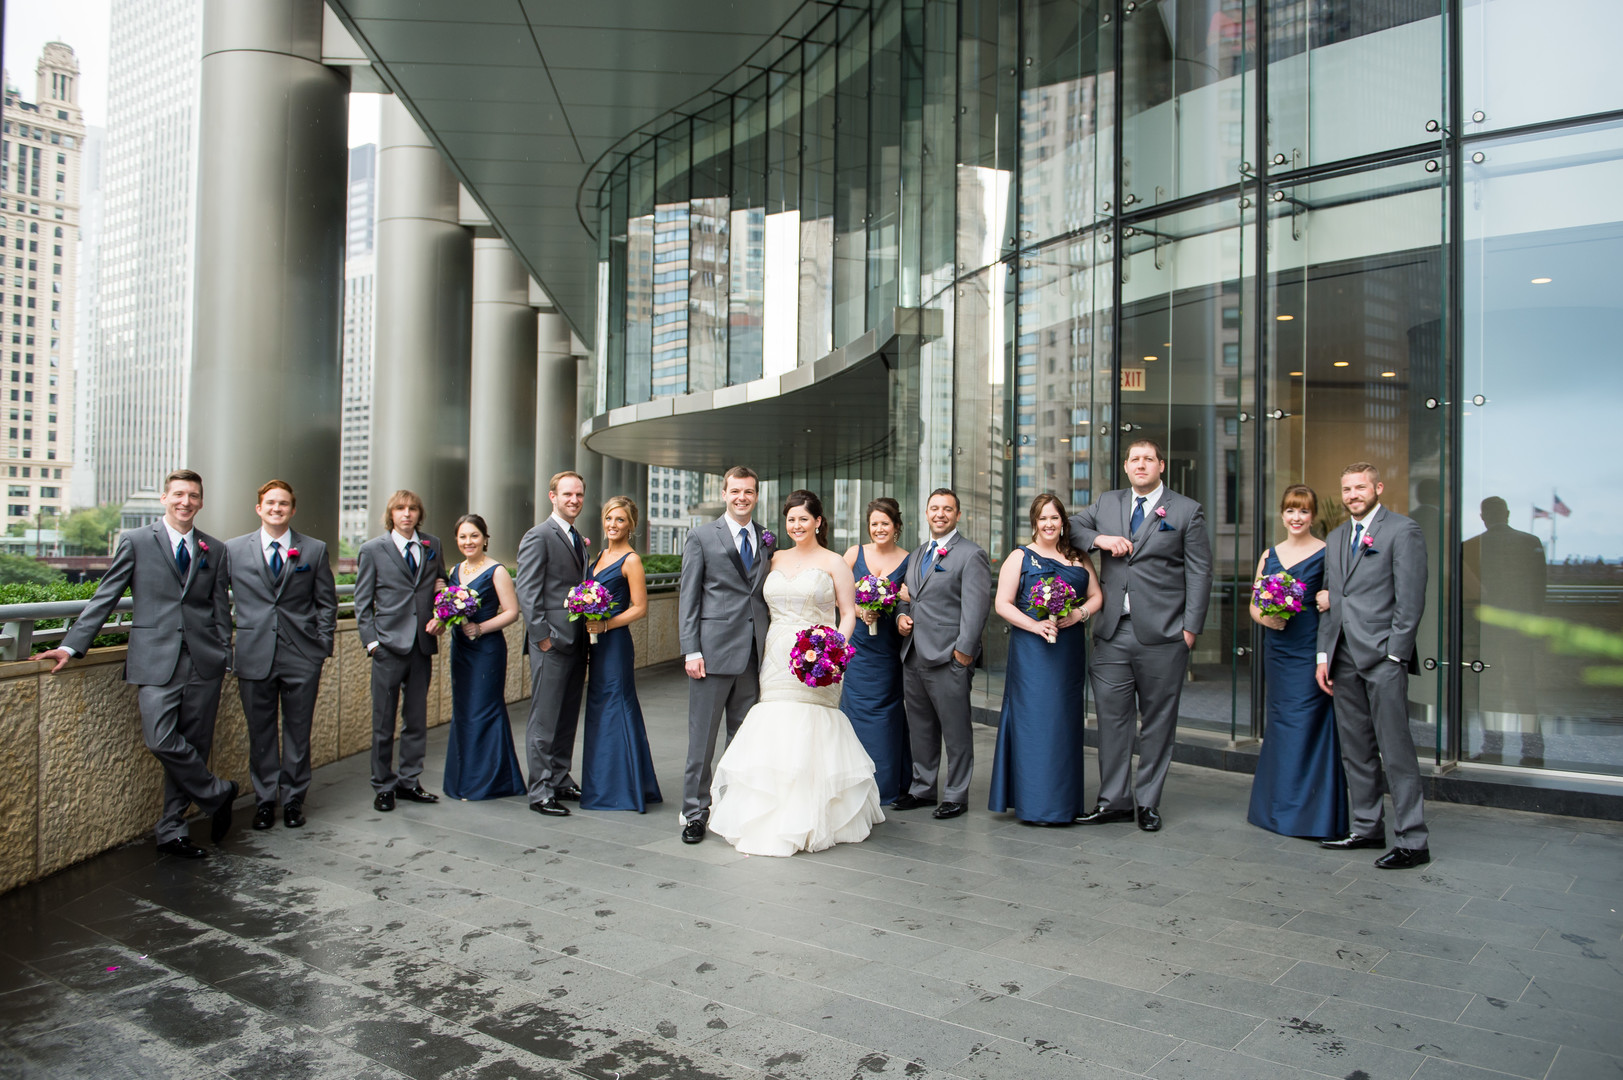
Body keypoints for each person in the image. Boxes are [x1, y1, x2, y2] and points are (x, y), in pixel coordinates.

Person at [39, 469, 239, 858]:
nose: (186, 502)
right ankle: (219, 792)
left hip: (204, 662)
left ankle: (172, 830)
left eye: (193, 496)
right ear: (164, 498)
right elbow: (106, 596)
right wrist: (71, 646)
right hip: (155, 659)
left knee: (194, 748)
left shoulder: (214, 549)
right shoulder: (135, 541)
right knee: (160, 739)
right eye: (178, 494)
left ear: (201, 501)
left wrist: (224, 655)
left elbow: (219, 608)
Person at [708, 490, 885, 856]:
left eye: (804, 518)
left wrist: (834, 649)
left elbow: (848, 612)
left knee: (811, 723)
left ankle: (815, 814)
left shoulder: (835, 562)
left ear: (818, 522)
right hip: (775, 655)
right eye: (791, 519)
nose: (797, 525)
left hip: (819, 655)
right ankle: (768, 812)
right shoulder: (771, 559)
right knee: (776, 720)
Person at [1070, 438, 1213, 832]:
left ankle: (1148, 802)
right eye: (1134, 459)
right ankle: (1114, 800)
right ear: (1126, 466)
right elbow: (1071, 526)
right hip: (1113, 632)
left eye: (1148, 459)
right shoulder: (1107, 502)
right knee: (1112, 722)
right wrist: (1100, 540)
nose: (1141, 465)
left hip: (1165, 636)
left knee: (1157, 724)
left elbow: (1200, 573)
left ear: (1161, 466)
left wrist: (1190, 630)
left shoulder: (1187, 511)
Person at [1317, 462, 1431, 869]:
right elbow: (1329, 599)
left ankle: (1413, 841)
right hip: (1342, 657)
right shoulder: (1335, 537)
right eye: (1346, 488)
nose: (1352, 495)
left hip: (1383, 657)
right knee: (1356, 750)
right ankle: (1366, 828)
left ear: (1378, 488)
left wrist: (1396, 653)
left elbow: (1411, 599)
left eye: (1360, 487)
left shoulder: (1403, 531)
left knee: (1395, 750)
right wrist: (1323, 655)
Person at [225, 479, 338, 830]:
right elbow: (215, 601)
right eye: (270, 503)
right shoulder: (232, 550)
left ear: (292, 509)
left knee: (297, 731)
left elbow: (326, 603)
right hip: (253, 653)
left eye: (284, 503)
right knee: (259, 732)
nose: (277, 508)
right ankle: (263, 801)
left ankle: (292, 800)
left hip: (301, 655)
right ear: (259, 508)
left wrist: (320, 647)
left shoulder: (314, 550)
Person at [988, 494, 1102, 826]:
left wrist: (1079, 613)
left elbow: (1097, 596)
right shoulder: (1020, 557)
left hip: (1068, 651)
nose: (1049, 524)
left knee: (1064, 724)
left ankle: (1064, 802)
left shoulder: (1078, 557)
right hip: (1033, 653)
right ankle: (1035, 803)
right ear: (1034, 523)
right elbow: (1003, 604)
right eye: (1042, 519)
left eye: (1055, 518)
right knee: (1035, 723)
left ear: (1063, 522)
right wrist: (1036, 625)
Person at [1245, 484, 1348, 840]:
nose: (1296, 517)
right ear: (1282, 514)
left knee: (1308, 725)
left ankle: (1310, 815)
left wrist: (1329, 597)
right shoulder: (1269, 554)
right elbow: (1254, 605)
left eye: (1303, 511)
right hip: (1278, 648)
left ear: (1313, 516)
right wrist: (1265, 619)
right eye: (1291, 510)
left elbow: (1342, 594)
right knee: (1281, 723)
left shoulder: (1327, 552)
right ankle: (1274, 809)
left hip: (1309, 649)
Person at [677, 465, 772, 844]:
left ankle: (732, 808)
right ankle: (694, 812)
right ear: (724, 493)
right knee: (702, 739)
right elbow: (689, 597)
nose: (741, 498)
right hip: (711, 653)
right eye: (735, 491)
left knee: (742, 738)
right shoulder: (701, 536)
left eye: (748, 492)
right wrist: (691, 649)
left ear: (756, 494)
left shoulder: (767, 538)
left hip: (753, 653)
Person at [894, 488, 992, 821]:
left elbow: (976, 610)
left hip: (950, 657)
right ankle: (922, 789)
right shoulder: (918, 553)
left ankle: (956, 794)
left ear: (957, 515)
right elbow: (907, 596)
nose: (940, 514)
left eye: (947, 509)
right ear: (926, 513)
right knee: (920, 727)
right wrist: (900, 616)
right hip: (913, 655)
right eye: (934, 508)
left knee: (956, 730)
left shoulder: (971, 554)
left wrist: (964, 654)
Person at [355, 489, 447, 813]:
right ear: (391, 514)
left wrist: (442, 616)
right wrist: (372, 643)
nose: (406, 514)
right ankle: (383, 786)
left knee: (416, 719)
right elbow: (362, 603)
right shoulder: (372, 550)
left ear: (419, 514)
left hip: (421, 645)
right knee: (383, 722)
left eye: (412, 509)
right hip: (387, 648)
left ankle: (409, 781)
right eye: (400, 509)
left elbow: (442, 585)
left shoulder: (432, 545)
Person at [579, 496, 662, 812]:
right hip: (595, 643)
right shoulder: (598, 555)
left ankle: (623, 789)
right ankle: (605, 783)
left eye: (620, 520)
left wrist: (606, 624)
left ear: (632, 525)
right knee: (599, 706)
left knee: (617, 704)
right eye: (609, 518)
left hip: (614, 644)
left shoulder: (631, 560)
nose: (613, 525)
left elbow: (640, 608)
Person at [515, 471, 590, 817]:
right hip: (551, 643)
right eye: (567, 494)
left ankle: (560, 777)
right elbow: (527, 591)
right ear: (552, 497)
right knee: (544, 719)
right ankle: (541, 790)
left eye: (578, 495)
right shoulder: (538, 536)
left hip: (576, 642)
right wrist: (542, 637)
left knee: (566, 716)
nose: (573, 500)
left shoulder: (575, 537)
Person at [442, 514, 525, 801]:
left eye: (474, 536)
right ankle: (463, 779)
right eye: (463, 537)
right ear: (457, 540)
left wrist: (480, 627)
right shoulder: (456, 570)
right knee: (464, 711)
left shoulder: (497, 571)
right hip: (461, 649)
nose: (468, 542)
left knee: (484, 709)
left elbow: (512, 612)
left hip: (487, 650)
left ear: (485, 538)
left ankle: (489, 781)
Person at [839, 497, 913, 804]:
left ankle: (885, 785)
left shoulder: (910, 558)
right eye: (874, 524)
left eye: (885, 523)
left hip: (887, 649)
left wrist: (893, 598)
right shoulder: (854, 553)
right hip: (858, 648)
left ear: (896, 526)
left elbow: (913, 596)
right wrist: (858, 610)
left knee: (887, 715)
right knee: (853, 713)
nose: (879, 529)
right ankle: (851, 783)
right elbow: (834, 593)